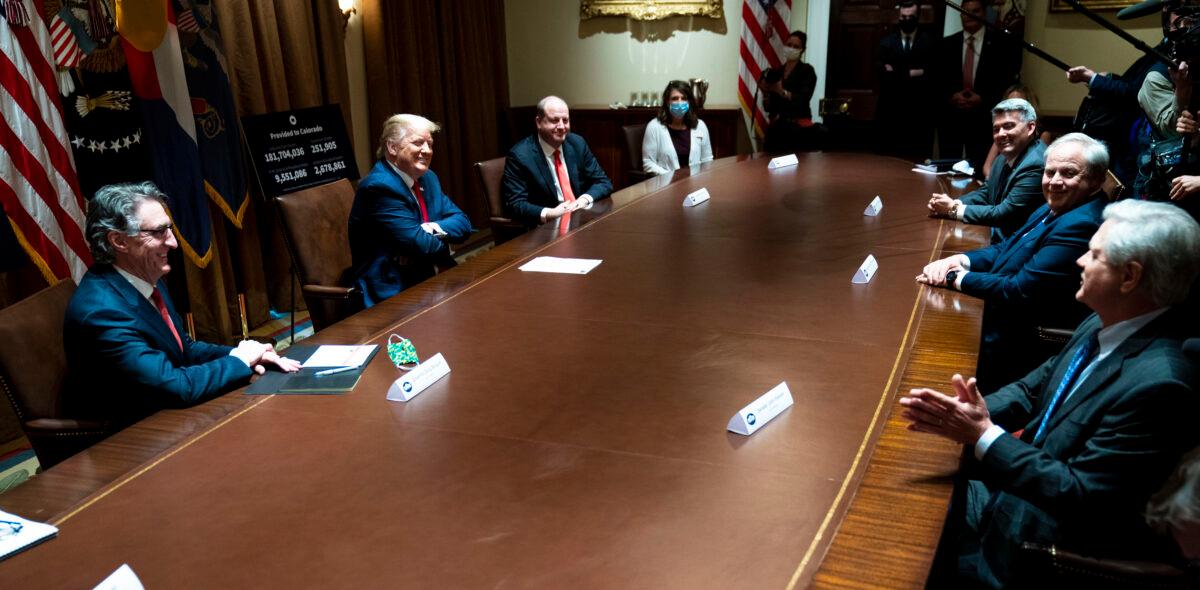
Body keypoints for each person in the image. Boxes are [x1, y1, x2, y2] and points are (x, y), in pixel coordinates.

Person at [903, 199, 1200, 589]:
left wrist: (981, 435)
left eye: (1094, 255)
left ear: (1130, 277)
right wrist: (955, 413)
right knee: (905, 485)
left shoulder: (1161, 385)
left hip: (1033, 549)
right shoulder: (1105, 320)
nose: (1079, 261)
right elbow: (1033, 388)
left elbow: (1081, 494)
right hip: (1011, 492)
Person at [64, 182, 301, 429]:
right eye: (158, 232)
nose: (174, 243)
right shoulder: (102, 312)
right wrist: (240, 361)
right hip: (132, 437)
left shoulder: (143, 276)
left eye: (170, 229)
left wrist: (243, 354)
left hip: (172, 414)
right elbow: (176, 386)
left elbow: (183, 349)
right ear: (119, 241)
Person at [918, 133, 1108, 393]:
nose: (1055, 181)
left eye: (1068, 173)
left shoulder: (1081, 223)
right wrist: (961, 259)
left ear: (1096, 179)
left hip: (1015, 336)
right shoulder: (1057, 206)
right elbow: (1006, 247)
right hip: (999, 310)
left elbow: (1018, 289)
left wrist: (954, 278)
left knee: (924, 340)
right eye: (1050, 172)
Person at [349, 114, 473, 308]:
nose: (427, 150)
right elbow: (420, 244)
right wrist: (444, 243)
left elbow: (463, 223)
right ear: (392, 147)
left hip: (427, 276)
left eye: (430, 144)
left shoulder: (428, 178)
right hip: (392, 290)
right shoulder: (379, 186)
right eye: (418, 143)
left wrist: (428, 228)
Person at [928, 98, 1046, 244]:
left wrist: (953, 209)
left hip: (1017, 246)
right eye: (996, 129)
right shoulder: (1004, 156)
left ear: (1030, 128)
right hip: (999, 238)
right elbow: (987, 192)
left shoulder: (1035, 164)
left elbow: (1004, 214)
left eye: (1008, 126)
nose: (1001, 134)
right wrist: (951, 202)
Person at [502, 96, 613, 231]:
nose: (561, 126)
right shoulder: (520, 156)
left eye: (565, 120)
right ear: (538, 122)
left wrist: (583, 200)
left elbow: (603, 182)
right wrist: (550, 213)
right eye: (554, 120)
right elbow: (515, 204)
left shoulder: (577, 143)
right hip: (546, 229)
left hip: (580, 219)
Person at [937, 0, 1022, 171]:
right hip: (952, 118)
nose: (969, 16)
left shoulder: (1001, 43)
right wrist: (952, 96)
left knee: (980, 170)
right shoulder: (946, 44)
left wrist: (983, 98)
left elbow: (1006, 80)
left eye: (974, 11)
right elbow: (937, 80)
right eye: (965, 11)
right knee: (947, 169)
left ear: (984, 13)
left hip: (984, 118)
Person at [875, 1, 938, 161]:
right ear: (899, 17)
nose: (907, 19)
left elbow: (932, 74)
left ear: (917, 17)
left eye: (911, 16)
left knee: (915, 160)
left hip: (919, 112)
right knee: (889, 160)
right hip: (891, 110)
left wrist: (896, 72)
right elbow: (882, 74)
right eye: (903, 16)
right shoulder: (886, 43)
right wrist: (915, 72)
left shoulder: (929, 43)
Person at [762, 30, 823, 153]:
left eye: (796, 46)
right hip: (778, 128)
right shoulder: (777, 72)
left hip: (798, 129)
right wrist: (766, 92)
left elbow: (803, 99)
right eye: (789, 45)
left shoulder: (807, 71)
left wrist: (782, 91)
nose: (791, 48)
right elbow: (769, 107)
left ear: (802, 50)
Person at [641, 80, 714, 176]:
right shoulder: (654, 127)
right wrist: (671, 177)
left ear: (689, 102)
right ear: (667, 102)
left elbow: (707, 160)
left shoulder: (700, 126)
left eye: (684, 98)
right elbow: (648, 163)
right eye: (675, 98)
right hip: (666, 185)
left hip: (695, 184)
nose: (680, 102)